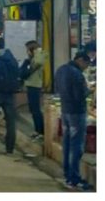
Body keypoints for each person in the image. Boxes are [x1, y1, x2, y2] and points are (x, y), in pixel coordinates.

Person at [54, 51, 92, 191]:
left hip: (65, 111)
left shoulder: (61, 70)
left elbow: (57, 88)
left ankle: (67, 174)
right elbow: (80, 95)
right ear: (81, 60)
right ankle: (74, 179)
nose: (86, 68)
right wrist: (89, 90)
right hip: (77, 112)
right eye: (86, 65)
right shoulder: (77, 74)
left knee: (67, 143)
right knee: (76, 146)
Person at [23, 39, 47, 140]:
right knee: (33, 110)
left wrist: (35, 52)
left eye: (28, 49)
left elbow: (38, 63)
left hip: (35, 85)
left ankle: (41, 131)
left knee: (36, 110)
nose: (27, 51)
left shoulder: (40, 55)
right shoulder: (34, 57)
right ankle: (37, 130)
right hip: (30, 85)